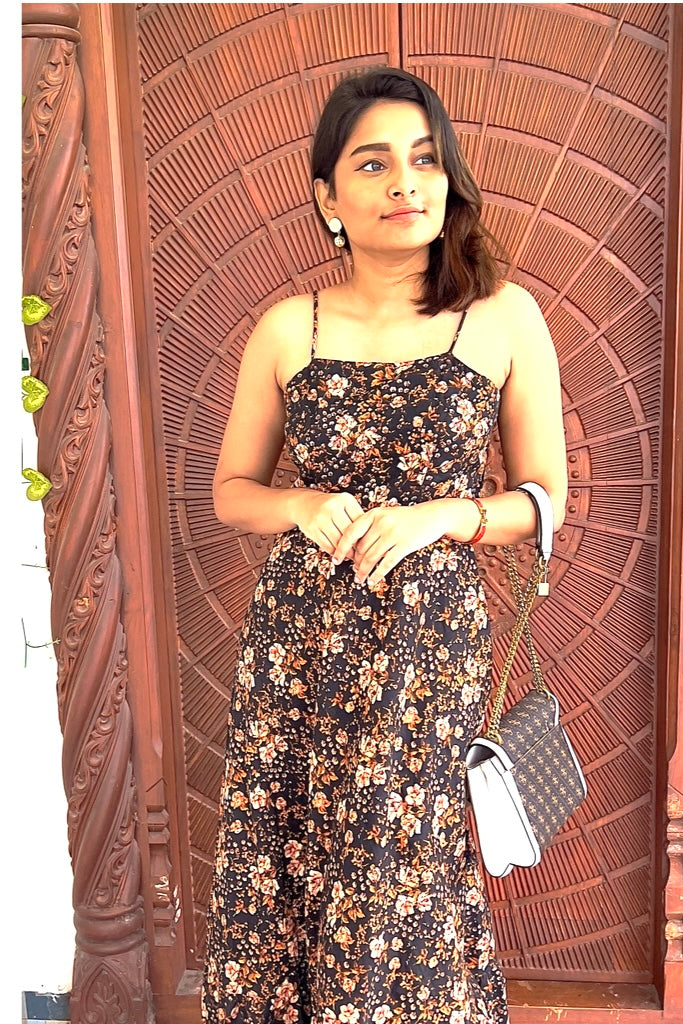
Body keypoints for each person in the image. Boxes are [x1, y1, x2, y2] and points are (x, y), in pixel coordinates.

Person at [201, 66, 567, 1024]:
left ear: (448, 179)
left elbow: (545, 500)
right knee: (287, 848)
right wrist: (298, 504)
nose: (405, 182)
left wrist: (446, 514)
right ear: (328, 197)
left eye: (424, 159)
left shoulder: (502, 314)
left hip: (428, 643)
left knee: (404, 866)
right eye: (372, 164)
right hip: (298, 642)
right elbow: (231, 492)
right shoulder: (289, 327)